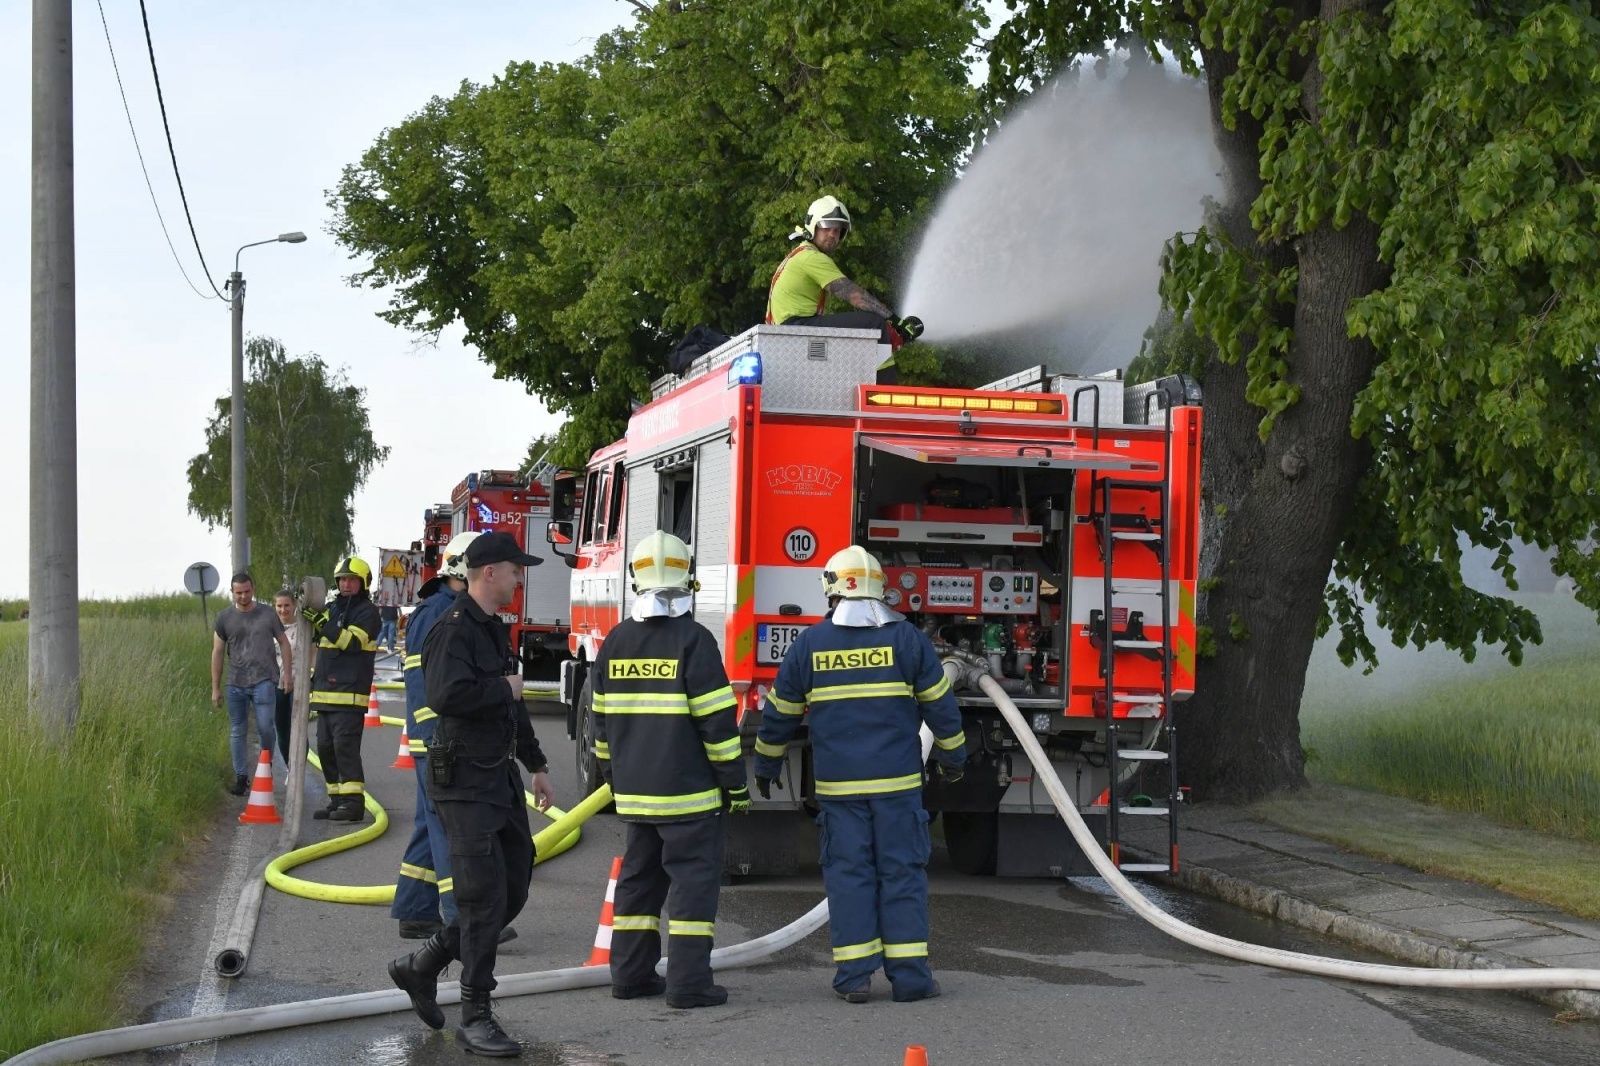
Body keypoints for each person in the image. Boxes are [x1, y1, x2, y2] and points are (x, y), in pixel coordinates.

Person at [754, 545, 966, 1004]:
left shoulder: (810, 644)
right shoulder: (908, 640)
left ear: (830, 589)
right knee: (902, 875)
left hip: (840, 791)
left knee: (849, 877)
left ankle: (854, 979)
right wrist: (954, 758)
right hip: (898, 789)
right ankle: (910, 980)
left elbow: (780, 713)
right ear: (881, 588)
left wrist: (767, 763)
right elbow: (941, 708)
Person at [389, 531, 555, 1057]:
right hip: (462, 781)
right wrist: (503, 689)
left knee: (513, 887)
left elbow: (513, 704)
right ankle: (475, 1015)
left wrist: (536, 764)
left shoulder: (492, 630)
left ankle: (423, 964)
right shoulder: (452, 628)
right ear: (489, 573)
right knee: (482, 898)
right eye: (514, 570)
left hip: (497, 776)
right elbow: (446, 695)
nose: (519, 578)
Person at [590, 530, 749, 1009]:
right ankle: (688, 984)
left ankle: (631, 976)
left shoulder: (615, 640)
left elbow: (600, 725)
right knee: (692, 889)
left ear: (635, 579)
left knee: (638, 885)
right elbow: (717, 724)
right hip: (689, 797)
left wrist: (615, 779)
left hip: (636, 796)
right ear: (688, 580)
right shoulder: (694, 640)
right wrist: (735, 785)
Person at [390, 531, 494, 941]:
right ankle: (462, 919)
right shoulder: (445, 613)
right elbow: (439, 684)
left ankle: (416, 910)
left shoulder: (436, 608)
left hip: (431, 735)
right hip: (440, 737)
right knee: (450, 828)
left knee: (428, 821)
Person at [303, 557, 382, 822]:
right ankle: (336, 801)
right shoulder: (332, 609)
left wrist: (323, 623)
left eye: (352, 580)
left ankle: (353, 804)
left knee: (344, 749)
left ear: (364, 583)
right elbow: (318, 639)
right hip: (324, 694)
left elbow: (352, 643)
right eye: (342, 580)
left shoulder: (368, 613)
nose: (346, 584)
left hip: (350, 695)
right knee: (325, 749)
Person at [211, 572, 293, 795]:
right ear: (232, 592)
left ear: (253, 589)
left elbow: (284, 643)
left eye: (247, 591)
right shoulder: (224, 617)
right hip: (235, 682)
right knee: (238, 729)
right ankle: (241, 778)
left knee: (266, 727)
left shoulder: (268, 614)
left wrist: (287, 675)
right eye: (239, 593)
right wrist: (215, 687)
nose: (243, 596)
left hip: (264, 679)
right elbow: (217, 652)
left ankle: (265, 768)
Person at [272, 588, 307, 767]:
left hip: (298, 683)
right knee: (282, 729)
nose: (283, 609)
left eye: (286, 605)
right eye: (279, 606)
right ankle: (290, 769)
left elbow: (313, 654)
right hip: (276, 685)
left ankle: (299, 769)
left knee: (298, 728)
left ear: (294, 605)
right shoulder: (270, 628)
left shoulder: (303, 628)